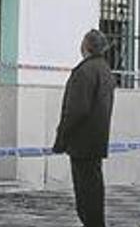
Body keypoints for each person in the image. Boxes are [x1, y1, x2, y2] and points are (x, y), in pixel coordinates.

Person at [52, 29, 116, 227]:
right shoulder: (105, 70)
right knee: (94, 189)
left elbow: (76, 110)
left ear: (87, 46)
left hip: (82, 142)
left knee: (85, 194)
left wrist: (61, 138)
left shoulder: (84, 71)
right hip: (97, 140)